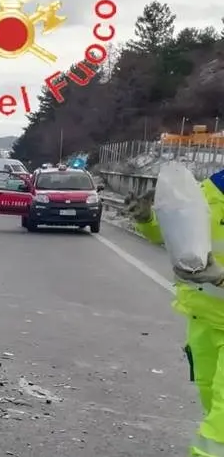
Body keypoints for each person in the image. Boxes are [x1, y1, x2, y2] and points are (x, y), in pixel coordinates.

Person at [127, 174, 224, 457]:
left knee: (219, 431)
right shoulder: (206, 190)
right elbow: (179, 237)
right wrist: (148, 221)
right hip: (204, 321)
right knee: (211, 404)